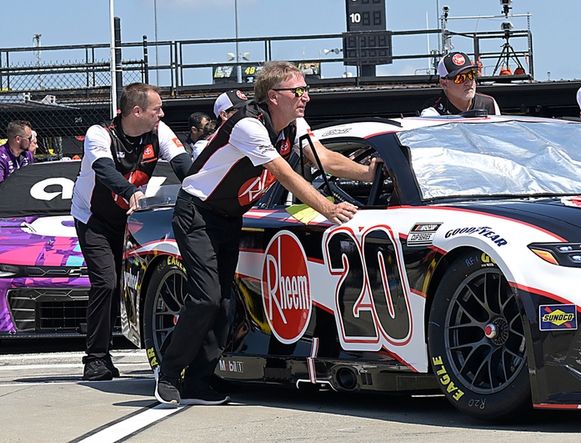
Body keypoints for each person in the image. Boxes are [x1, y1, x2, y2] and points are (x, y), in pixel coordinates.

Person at [154, 61, 377, 408]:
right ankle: (168, 374)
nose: (306, 97)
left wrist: (369, 173)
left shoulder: (294, 124)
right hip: (197, 212)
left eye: (306, 90)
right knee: (206, 298)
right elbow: (284, 173)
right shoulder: (248, 125)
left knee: (225, 304)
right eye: (298, 91)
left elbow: (324, 159)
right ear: (273, 97)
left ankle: (198, 382)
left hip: (229, 216)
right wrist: (328, 209)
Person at [72, 84, 192, 381]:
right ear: (136, 111)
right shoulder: (98, 134)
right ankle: (96, 358)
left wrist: (201, 188)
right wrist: (129, 192)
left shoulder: (159, 131)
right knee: (106, 283)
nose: (162, 114)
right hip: (94, 218)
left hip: (130, 219)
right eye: (157, 109)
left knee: (127, 285)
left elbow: (182, 163)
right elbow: (103, 169)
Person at [420, 51, 500, 116]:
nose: (468, 82)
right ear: (444, 84)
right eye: (460, 78)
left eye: (471, 75)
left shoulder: (489, 104)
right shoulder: (433, 114)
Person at [191, 90, 248, 160]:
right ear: (224, 115)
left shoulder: (250, 137)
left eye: (248, 109)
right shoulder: (204, 147)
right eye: (241, 110)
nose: (247, 114)